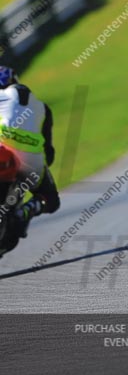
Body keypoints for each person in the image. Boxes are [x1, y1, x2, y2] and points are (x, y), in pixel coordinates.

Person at [0, 66, 60, 244]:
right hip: (32, 163)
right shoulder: (42, 107)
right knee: (51, 201)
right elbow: (49, 152)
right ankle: (26, 210)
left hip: (3, 155)